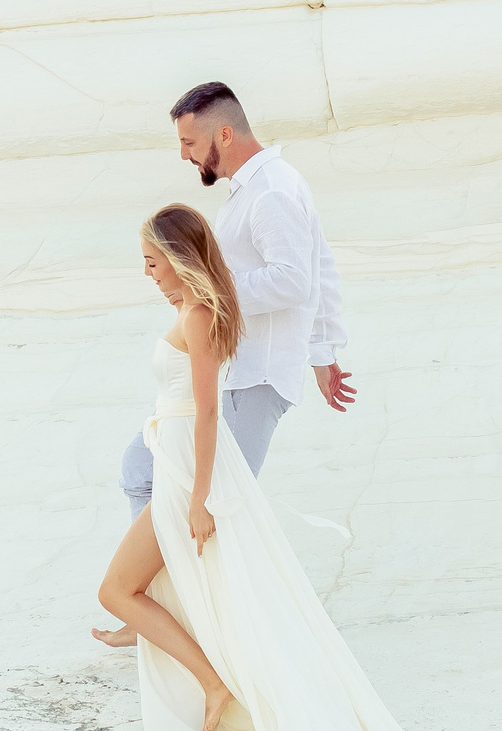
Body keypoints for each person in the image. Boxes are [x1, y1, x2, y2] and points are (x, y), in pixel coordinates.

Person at [92, 205, 502, 731]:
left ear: (181, 259)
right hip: (178, 460)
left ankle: (213, 683)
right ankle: (211, 680)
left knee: (117, 589)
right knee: (146, 588)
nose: (148, 274)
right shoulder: (192, 312)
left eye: (153, 262)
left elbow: (212, 414)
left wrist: (198, 499)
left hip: (190, 470)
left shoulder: (197, 316)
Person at [97, 81, 351, 649]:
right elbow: (322, 263)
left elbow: (298, 278)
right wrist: (324, 351)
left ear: (225, 134)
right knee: (142, 471)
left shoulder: (272, 193)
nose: (185, 154)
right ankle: (163, 605)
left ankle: (204, 624)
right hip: (232, 370)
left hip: (254, 378)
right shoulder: (251, 191)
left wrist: (210, 291)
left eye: (190, 142)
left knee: (218, 505)